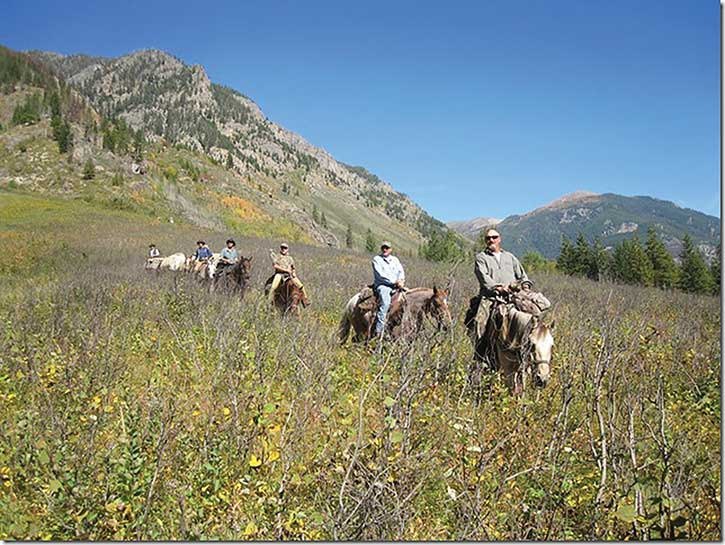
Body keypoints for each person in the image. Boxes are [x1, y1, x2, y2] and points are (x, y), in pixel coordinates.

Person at [472, 228, 528, 363]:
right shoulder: (481, 258)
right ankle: (482, 359)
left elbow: (522, 275)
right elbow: (483, 277)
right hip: (491, 299)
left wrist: (525, 286)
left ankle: (531, 355)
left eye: (494, 237)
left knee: (532, 319)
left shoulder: (510, 257)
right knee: (480, 325)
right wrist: (498, 287)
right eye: (488, 238)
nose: (491, 240)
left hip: (513, 297)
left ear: (499, 239)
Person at [372, 241, 405, 337]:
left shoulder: (395, 260)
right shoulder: (377, 259)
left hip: (397, 285)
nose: (385, 250)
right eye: (383, 248)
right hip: (383, 285)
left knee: (409, 299)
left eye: (387, 248)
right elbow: (381, 275)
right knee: (385, 303)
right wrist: (395, 281)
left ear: (391, 249)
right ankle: (379, 330)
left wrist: (401, 280)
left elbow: (400, 271)